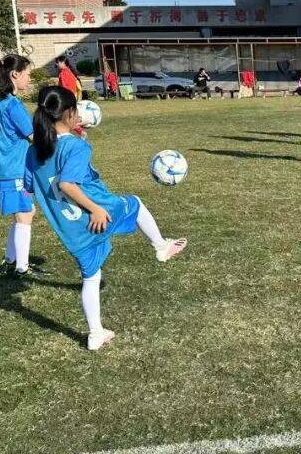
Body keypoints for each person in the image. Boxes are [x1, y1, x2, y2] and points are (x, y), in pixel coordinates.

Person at [25, 86, 187, 351]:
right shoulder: (76, 147)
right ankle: (161, 246)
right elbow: (67, 184)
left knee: (91, 276)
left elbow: (31, 185)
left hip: (71, 228)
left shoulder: (34, 151)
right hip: (97, 213)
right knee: (135, 204)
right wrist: (96, 209)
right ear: (70, 113)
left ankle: (95, 333)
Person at [0, 54, 38, 277]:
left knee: (25, 212)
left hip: (5, 168)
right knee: (25, 214)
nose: (30, 79)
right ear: (15, 75)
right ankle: (21, 268)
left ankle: (11, 260)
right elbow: (34, 137)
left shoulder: (1, 100)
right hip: (11, 169)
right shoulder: (13, 105)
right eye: (28, 74)